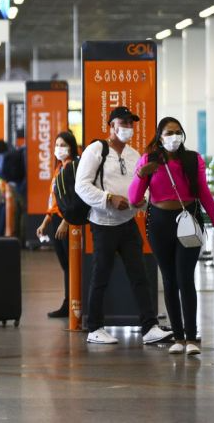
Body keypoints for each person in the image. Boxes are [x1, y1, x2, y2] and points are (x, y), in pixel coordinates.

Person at [129, 117, 214, 356]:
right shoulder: (149, 160)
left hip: (189, 220)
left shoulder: (193, 159)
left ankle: (192, 337)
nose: (173, 137)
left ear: (182, 135)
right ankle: (178, 335)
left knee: (185, 278)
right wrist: (142, 174)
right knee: (169, 280)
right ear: (159, 137)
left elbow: (204, 193)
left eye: (177, 132)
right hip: (159, 223)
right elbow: (134, 198)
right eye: (168, 133)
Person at [74, 106, 172, 346]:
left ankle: (149, 326)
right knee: (101, 275)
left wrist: (142, 201)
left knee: (140, 275)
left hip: (127, 223)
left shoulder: (133, 154)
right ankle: (94, 327)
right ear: (112, 125)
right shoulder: (96, 150)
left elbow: (144, 186)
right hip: (103, 224)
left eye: (131, 123)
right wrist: (108, 198)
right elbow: (81, 186)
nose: (127, 127)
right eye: (123, 122)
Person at [36, 131, 78, 318]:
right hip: (55, 221)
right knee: (65, 265)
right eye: (57, 145)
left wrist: (66, 222)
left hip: (66, 223)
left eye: (63, 145)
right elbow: (53, 199)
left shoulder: (73, 168)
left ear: (71, 147)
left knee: (71, 265)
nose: (59, 149)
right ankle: (68, 302)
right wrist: (46, 221)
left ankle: (72, 303)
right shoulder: (59, 168)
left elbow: (76, 199)